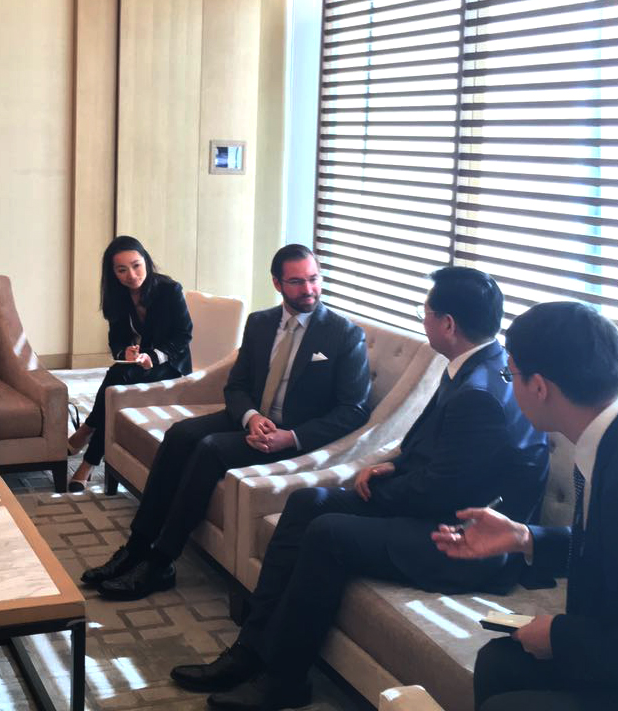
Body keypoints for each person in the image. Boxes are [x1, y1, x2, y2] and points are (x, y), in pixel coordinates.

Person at [172, 267, 551, 711]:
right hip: (439, 506)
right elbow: (434, 451)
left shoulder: (480, 392)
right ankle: (250, 650)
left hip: (466, 541)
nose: (423, 320)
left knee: (329, 531)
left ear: (448, 324)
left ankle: (284, 680)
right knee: (306, 501)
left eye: (426, 312)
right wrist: (391, 466)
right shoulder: (472, 367)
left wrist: (374, 492)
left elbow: (442, 493)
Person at [432, 301, 618, 711]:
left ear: (539, 386)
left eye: (510, 375)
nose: (509, 387)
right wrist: (525, 538)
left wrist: (558, 637)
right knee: (500, 661)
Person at [81, 244, 373, 601]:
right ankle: (137, 546)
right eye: (297, 282)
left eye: (314, 279)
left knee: (210, 449)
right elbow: (236, 386)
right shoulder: (261, 323)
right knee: (179, 435)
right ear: (277, 283)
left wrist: (291, 437)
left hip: (291, 435)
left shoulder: (344, 335)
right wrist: (251, 416)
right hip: (252, 419)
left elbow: (354, 410)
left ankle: (161, 562)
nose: (308, 289)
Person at [67, 236, 193, 492]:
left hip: (170, 365)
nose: (132, 275)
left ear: (146, 261)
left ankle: (88, 444)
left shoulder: (169, 290)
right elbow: (116, 338)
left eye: (136, 265)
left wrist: (154, 357)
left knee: (118, 380)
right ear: (112, 272)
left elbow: (184, 335)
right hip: (137, 364)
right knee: (117, 384)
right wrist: (124, 351)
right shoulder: (118, 296)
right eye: (122, 270)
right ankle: (89, 454)